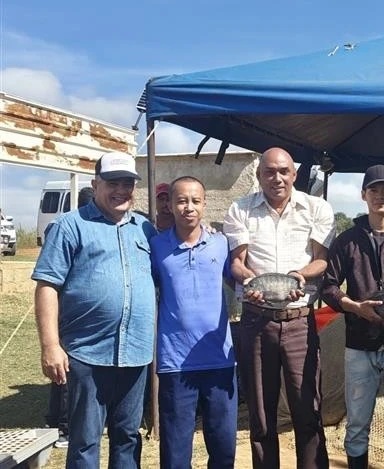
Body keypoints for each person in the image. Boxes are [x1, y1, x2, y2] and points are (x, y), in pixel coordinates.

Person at [32, 151, 156, 468]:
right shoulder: (70, 226)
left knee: (128, 437)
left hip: (136, 353)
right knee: (86, 441)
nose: (121, 190)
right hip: (87, 354)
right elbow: (47, 286)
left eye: (127, 183)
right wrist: (50, 345)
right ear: (95, 183)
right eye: (113, 182)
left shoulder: (144, 229)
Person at [223, 147, 334, 469]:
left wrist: (299, 275)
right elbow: (237, 264)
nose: (277, 178)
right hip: (256, 322)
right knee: (261, 416)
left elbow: (321, 260)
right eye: (269, 171)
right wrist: (250, 282)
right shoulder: (240, 209)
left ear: (294, 175)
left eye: (283, 171)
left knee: (308, 412)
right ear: (259, 175)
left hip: (300, 321)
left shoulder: (316, 208)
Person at [321, 165, 384, 469]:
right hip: (359, 344)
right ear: (363, 194)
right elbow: (328, 286)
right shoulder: (348, 240)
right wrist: (354, 306)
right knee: (357, 422)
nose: (380, 196)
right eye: (374, 190)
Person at [150, 176, 237, 468]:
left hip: (219, 361)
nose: (189, 207)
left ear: (204, 204)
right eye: (182, 201)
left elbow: (238, 281)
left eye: (195, 201)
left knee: (224, 447)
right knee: (175, 451)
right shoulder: (156, 247)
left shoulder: (221, 243)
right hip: (175, 361)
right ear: (171, 205)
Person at [44, 185, 95, 449]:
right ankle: (62, 425)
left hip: (78, 319)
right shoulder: (64, 227)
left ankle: (60, 420)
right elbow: (48, 282)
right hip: (71, 317)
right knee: (66, 373)